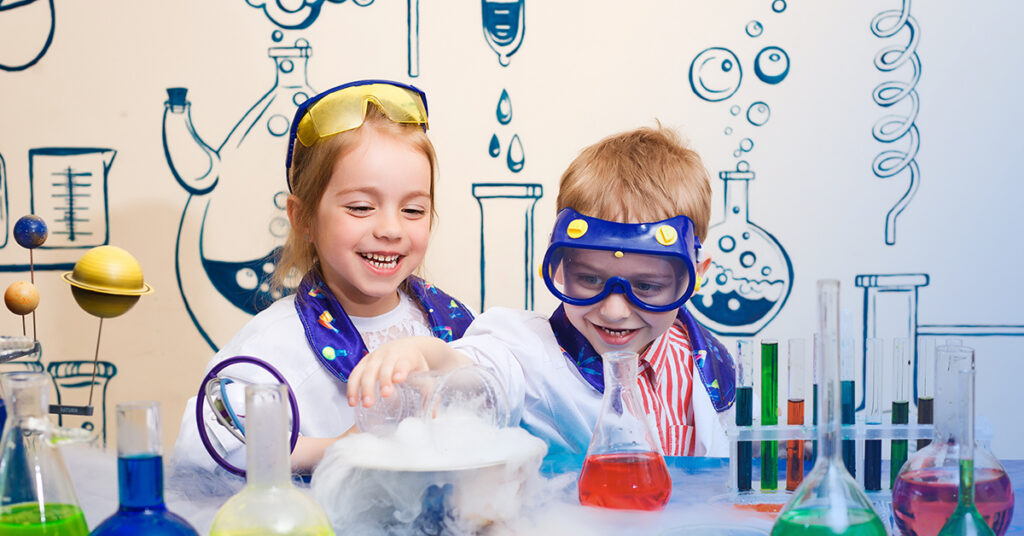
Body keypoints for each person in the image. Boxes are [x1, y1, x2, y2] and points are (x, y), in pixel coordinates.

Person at [347, 125, 736, 457]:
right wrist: (423, 354)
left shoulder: (709, 363)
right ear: (561, 266)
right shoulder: (529, 353)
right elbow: (476, 373)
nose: (615, 310)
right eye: (590, 280)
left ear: (694, 276)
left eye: (647, 286)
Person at [172, 80, 475, 476]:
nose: (391, 229)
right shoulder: (277, 343)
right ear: (303, 218)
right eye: (361, 207)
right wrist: (337, 449)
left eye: (413, 210)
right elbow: (204, 446)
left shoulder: (451, 323)